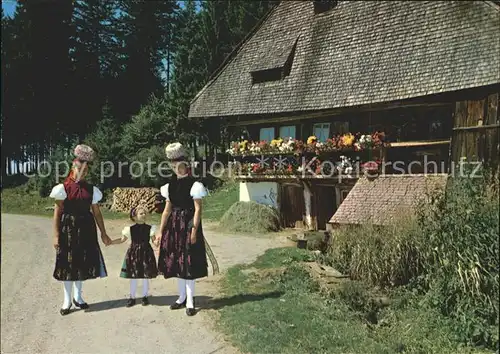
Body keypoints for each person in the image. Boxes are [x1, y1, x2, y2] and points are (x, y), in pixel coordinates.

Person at [155, 142, 219, 316]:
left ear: (186, 165)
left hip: (188, 225)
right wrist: (161, 231)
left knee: (188, 263)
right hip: (174, 227)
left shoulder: (195, 184)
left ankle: (190, 300)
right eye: (174, 165)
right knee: (177, 262)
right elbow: (167, 210)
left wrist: (193, 229)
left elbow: (198, 209)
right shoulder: (169, 186)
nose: (177, 168)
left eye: (180, 165)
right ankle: (181, 297)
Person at [50, 144, 112, 316]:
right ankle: (67, 300)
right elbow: (57, 213)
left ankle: (78, 297)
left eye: (85, 171)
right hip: (68, 229)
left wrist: (103, 233)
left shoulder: (91, 190)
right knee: (68, 263)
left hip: (86, 228)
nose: (82, 173)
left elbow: (97, 213)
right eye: (79, 169)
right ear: (73, 167)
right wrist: (55, 235)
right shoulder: (63, 188)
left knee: (82, 262)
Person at [111, 205, 158, 307]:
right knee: (133, 276)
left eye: (145, 213)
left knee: (145, 276)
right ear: (135, 216)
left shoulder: (150, 228)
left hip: (146, 253)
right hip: (134, 253)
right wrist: (111, 242)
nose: (144, 215)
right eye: (141, 213)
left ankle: (145, 296)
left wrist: (159, 241)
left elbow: (154, 241)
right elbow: (122, 239)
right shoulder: (129, 229)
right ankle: (132, 297)